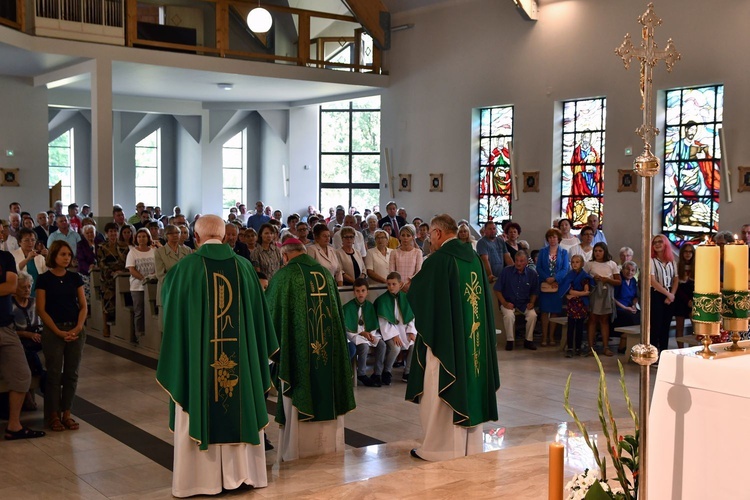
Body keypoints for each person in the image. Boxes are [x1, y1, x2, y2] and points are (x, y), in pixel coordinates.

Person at [157, 214, 278, 497]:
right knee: (238, 399)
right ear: (225, 237)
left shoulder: (184, 270)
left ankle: (199, 480)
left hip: (201, 368)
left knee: (202, 397)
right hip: (241, 368)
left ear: (195, 238)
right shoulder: (246, 268)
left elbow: (172, 320)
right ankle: (244, 474)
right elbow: (261, 321)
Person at [405, 214, 500, 461]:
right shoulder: (475, 259)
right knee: (472, 381)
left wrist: (410, 288)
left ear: (437, 233)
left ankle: (439, 448)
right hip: (474, 342)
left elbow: (422, 296)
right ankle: (471, 447)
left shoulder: (439, 260)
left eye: (430, 237)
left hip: (445, 343)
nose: (429, 243)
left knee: (437, 387)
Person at [265, 237, 355, 462]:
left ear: (284, 256)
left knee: (298, 388)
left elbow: (269, 316)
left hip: (298, 357)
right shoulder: (325, 274)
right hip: (329, 353)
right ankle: (328, 448)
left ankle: (295, 452)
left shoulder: (284, 277)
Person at [36, 240, 87, 432]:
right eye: (62, 254)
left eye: (68, 255)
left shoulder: (75, 278)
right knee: (54, 373)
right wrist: (57, 332)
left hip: (75, 328)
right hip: (53, 330)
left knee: (72, 373)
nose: (66, 258)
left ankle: (67, 412)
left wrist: (79, 327)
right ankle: (53, 415)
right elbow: (41, 309)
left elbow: (83, 306)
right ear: (53, 256)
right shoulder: (44, 279)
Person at [0, 252, 46, 440]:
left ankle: (14, 425)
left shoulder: (5, 258)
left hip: (5, 326)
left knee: (22, 374)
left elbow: (11, 285)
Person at [374, 271, 417, 385]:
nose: (391, 287)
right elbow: (382, 322)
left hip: (404, 330)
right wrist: (394, 335)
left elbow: (411, 317)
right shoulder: (382, 300)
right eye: (388, 284)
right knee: (396, 348)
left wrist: (411, 332)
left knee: (414, 344)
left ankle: (407, 372)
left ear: (400, 284)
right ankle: (387, 371)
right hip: (389, 331)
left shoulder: (406, 297)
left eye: (394, 284)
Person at [343, 278, 386, 387]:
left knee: (382, 345)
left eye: (363, 290)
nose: (360, 293)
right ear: (354, 292)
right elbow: (347, 328)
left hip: (369, 334)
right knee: (364, 346)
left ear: (367, 292)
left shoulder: (370, 306)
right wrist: (362, 333)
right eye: (357, 291)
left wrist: (369, 334)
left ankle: (377, 374)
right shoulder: (348, 307)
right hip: (354, 335)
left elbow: (372, 322)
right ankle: (361, 374)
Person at [12, 271, 45, 411]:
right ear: (15, 288)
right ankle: (41, 375)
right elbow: (8, 330)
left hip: (37, 337)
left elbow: (42, 322)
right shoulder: (10, 305)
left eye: (29, 286)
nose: (27, 290)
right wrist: (26, 333)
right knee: (24, 351)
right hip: (19, 339)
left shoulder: (34, 302)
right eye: (23, 287)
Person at [495, 250, 539, 351]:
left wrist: (532, 302)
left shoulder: (532, 274)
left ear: (527, 262)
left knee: (533, 315)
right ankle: (510, 341)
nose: (518, 263)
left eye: (521, 261)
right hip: (508, 301)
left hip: (524, 302)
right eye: (517, 260)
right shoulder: (506, 271)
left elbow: (534, 291)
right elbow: (497, 289)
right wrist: (504, 303)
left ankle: (528, 340)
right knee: (509, 315)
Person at [584, 242, 621, 356]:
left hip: (606, 293)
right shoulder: (589, 264)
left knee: (604, 320)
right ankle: (591, 348)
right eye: (596, 251)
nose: (598, 253)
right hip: (595, 293)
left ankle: (605, 347)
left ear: (605, 252)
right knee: (592, 320)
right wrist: (592, 279)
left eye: (600, 251)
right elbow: (583, 278)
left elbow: (618, 281)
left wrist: (607, 280)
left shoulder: (612, 264)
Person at [537, 228, 569, 347]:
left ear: (559, 239)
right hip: (545, 285)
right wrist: (547, 278)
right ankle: (544, 337)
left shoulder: (564, 252)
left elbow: (565, 269)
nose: (552, 239)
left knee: (555, 312)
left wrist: (555, 278)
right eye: (550, 237)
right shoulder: (543, 252)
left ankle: (551, 336)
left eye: (554, 237)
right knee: (544, 312)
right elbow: (538, 267)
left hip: (557, 285)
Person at [125, 228, 156, 344]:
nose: (141, 239)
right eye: (139, 237)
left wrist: (152, 277)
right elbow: (131, 269)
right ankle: (139, 334)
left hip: (152, 285)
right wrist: (144, 279)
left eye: (144, 236)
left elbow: (158, 266)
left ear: (148, 238)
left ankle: (151, 333)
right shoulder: (133, 252)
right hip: (137, 286)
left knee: (152, 310)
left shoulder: (153, 251)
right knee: (139, 311)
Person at [154, 225, 192, 311]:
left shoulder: (187, 250)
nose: (175, 235)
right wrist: (176, 284)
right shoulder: (160, 252)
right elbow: (160, 275)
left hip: (184, 291)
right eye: (171, 233)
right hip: (168, 291)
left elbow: (190, 270)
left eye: (177, 232)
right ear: (166, 235)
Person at [559, 255, 591, 357]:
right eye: (573, 262)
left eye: (577, 262)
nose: (575, 264)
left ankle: (578, 347)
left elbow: (586, 292)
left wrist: (574, 293)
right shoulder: (569, 276)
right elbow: (567, 290)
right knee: (571, 326)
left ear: (582, 264)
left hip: (581, 304)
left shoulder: (584, 276)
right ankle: (569, 347)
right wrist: (573, 293)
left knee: (579, 327)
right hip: (572, 305)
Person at [612, 261, 640, 353]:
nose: (630, 272)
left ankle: (635, 345)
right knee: (629, 318)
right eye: (627, 269)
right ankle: (623, 344)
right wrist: (625, 308)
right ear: (623, 269)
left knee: (641, 316)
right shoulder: (619, 280)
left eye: (632, 270)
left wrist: (634, 305)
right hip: (618, 308)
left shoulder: (633, 281)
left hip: (629, 307)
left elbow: (635, 297)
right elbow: (612, 298)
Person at [11, 228, 48, 295]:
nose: (30, 243)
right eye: (27, 240)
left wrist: (47, 258)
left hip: (38, 291)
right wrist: (27, 259)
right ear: (19, 242)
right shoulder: (13, 255)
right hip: (20, 291)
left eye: (33, 240)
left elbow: (46, 273)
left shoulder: (39, 256)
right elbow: (14, 271)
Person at [389, 225, 423, 292]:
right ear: (399, 237)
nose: (405, 238)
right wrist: (401, 285)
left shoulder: (418, 252)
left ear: (413, 237)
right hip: (397, 287)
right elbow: (392, 272)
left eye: (408, 235)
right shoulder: (394, 252)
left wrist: (409, 284)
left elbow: (418, 271)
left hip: (413, 287)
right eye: (403, 235)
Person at [674, 243, 695, 348]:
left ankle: (693, 347)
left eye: (690, 251)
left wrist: (692, 301)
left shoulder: (696, 267)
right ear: (682, 253)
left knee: (696, 326)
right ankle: (680, 349)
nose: (688, 254)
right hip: (680, 299)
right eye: (686, 251)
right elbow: (677, 287)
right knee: (679, 327)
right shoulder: (678, 266)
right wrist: (687, 301)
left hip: (693, 299)